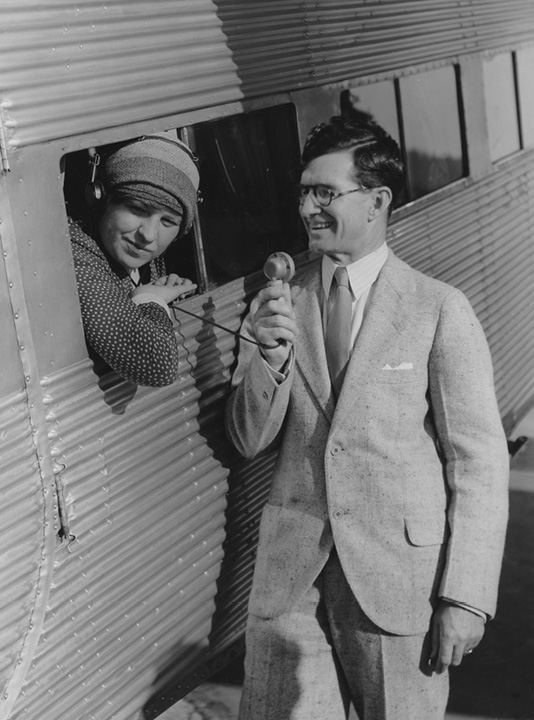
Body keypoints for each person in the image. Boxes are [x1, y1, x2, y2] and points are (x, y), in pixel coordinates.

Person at [225, 115, 509, 720]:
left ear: (378, 200)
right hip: (290, 585)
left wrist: (466, 596)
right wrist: (269, 359)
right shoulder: (278, 299)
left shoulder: (439, 310)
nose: (307, 208)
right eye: (303, 192)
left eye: (325, 193)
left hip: (399, 585)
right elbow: (248, 437)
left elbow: (479, 462)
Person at [69, 132, 200, 387]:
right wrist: (150, 299)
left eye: (168, 221)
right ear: (100, 197)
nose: (148, 236)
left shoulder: (129, 247)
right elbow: (156, 367)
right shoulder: (76, 253)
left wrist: (160, 292)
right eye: (138, 209)